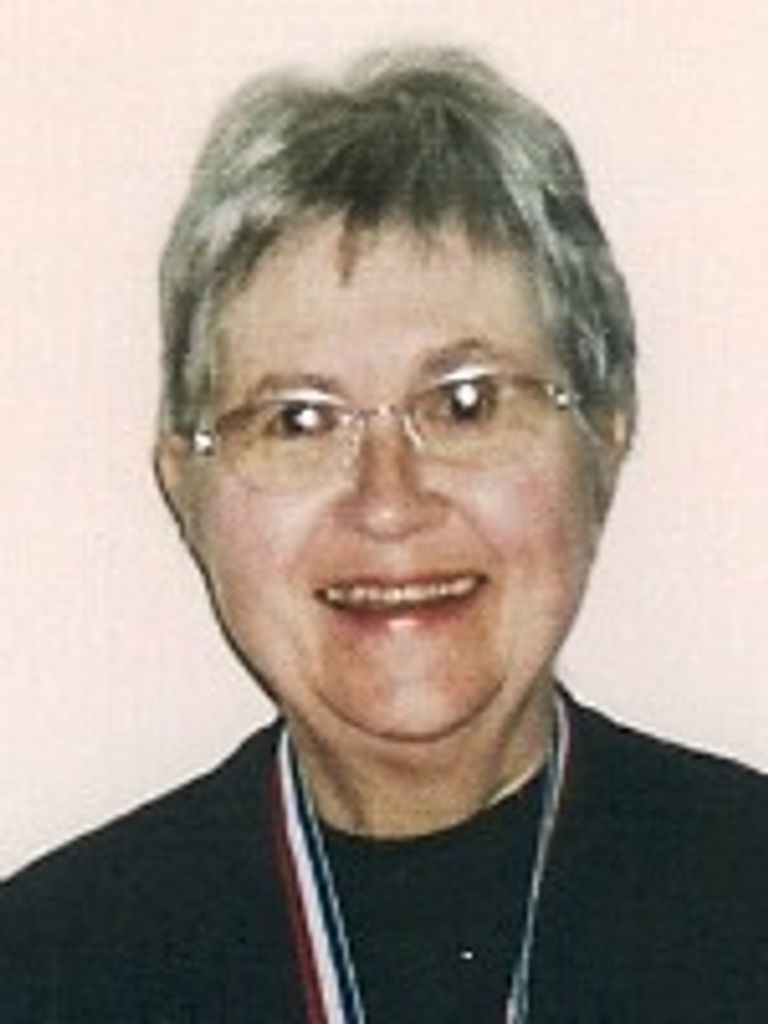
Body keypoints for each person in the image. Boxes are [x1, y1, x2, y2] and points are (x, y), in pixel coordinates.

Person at [1, 45, 766, 1024]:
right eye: (298, 420)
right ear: (185, 485)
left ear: (606, 436)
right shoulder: (45, 967)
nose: (389, 501)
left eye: (466, 402)